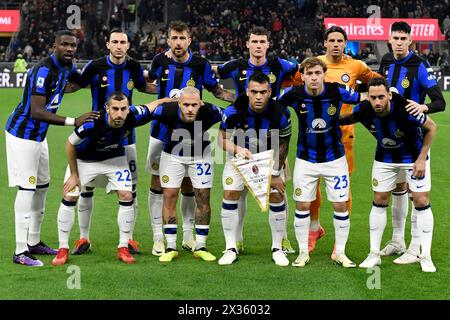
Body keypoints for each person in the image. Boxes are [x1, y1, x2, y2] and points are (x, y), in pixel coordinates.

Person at [5, 30, 99, 267]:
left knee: (42, 187)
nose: (69, 49)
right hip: (22, 135)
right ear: (53, 45)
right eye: (64, 44)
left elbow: (79, 82)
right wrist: (73, 121)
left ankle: (34, 241)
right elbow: (37, 111)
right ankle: (20, 250)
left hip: (39, 137)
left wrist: (106, 67)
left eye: (73, 45)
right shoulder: (43, 69)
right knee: (27, 189)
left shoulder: (67, 67)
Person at [146, 21, 235, 257]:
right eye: (174, 38)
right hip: (160, 132)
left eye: (182, 38)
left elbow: (216, 91)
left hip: (192, 133)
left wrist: (240, 100)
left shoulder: (200, 64)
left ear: (189, 40)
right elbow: (148, 87)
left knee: (188, 186)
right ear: (168, 40)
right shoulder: (158, 61)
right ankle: (158, 237)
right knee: (159, 186)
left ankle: (187, 236)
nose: (178, 42)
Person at [52, 92, 172, 265]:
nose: (119, 114)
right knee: (70, 195)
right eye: (115, 109)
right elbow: (70, 143)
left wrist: (173, 99)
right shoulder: (93, 122)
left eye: (123, 109)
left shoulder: (133, 115)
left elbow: (152, 105)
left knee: (127, 195)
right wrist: (74, 175)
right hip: (85, 160)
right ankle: (63, 248)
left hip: (114, 160)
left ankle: (123, 246)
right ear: (107, 108)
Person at [67, 28, 157, 256]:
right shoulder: (95, 66)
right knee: (85, 189)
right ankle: (83, 238)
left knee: (131, 188)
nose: (119, 46)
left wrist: (172, 92)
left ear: (128, 46)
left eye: (123, 42)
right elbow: (76, 85)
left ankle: (129, 239)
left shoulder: (134, 67)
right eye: (114, 42)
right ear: (108, 44)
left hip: (127, 138)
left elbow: (143, 87)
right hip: (95, 137)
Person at [213, 26, 300, 254]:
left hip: (272, 133)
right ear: (248, 44)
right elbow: (215, 77)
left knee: (278, 189)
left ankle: (283, 239)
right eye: (255, 41)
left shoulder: (280, 65)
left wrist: (284, 100)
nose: (258, 45)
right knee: (238, 190)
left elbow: (300, 72)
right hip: (243, 132)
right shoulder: (235, 66)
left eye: (263, 41)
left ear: (268, 44)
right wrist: (233, 100)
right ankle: (237, 239)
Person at [339, 78, 437, 272]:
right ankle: (374, 254)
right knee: (379, 199)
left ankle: (425, 256)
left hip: (413, 157)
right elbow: (346, 119)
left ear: (389, 95)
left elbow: (432, 127)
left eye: (381, 97)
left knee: (421, 200)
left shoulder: (406, 109)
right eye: (373, 97)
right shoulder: (364, 109)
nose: (377, 102)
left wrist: (421, 158)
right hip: (385, 158)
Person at [279, 57, 363, 268]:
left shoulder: (336, 90)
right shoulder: (294, 93)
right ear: (303, 76)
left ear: (324, 74)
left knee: (340, 204)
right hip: (305, 160)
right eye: (309, 74)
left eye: (317, 73)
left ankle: (340, 253)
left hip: (335, 159)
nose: (314, 77)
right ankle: (302, 253)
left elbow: (361, 98)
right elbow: (273, 106)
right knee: (302, 204)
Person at [307, 26, 381, 255]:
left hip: (344, 134)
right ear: (325, 43)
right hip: (315, 133)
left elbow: (377, 81)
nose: (336, 44)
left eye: (340, 40)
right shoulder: (315, 64)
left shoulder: (356, 66)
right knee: (312, 186)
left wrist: (367, 97)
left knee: (343, 187)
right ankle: (313, 228)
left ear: (345, 43)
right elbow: (297, 82)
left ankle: (340, 240)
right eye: (332, 40)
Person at [378, 21, 446, 262]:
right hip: (390, 142)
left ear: (410, 40)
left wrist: (423, 105)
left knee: (418, 196)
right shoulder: (385, 61)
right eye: (394, 38)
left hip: (415, 142)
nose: (398, 42)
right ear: (389, 39)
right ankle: (398, 241)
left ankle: (416, 249)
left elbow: (440, 102)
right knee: (398, 190)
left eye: (402, 39)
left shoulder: (419, 65)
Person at [218, 73, 291, 266]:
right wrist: (238, 149)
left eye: (262, 92)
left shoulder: (281, 113)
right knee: (230, 193)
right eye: (254, 92)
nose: (258, 96)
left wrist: (276, 174)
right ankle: (230, 247)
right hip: (240, 156)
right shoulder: (233, 111)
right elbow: (221, 140)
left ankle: (277, 248)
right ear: (247, 92)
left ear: (269, 92)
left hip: (270, 157)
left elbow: (283, 144)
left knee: (276, 195)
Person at [150, 87, 224, 263]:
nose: (190, 109)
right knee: (169, 196)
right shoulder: (166, 111)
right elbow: (143, 112)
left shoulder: (210, 111)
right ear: (179, 104)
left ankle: (201, 246)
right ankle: (170, 246)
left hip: (201, 156)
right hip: (172, 156)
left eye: (194, 105)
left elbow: (233, 117)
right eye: (186, 105)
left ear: (201, 103)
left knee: (203, 197)